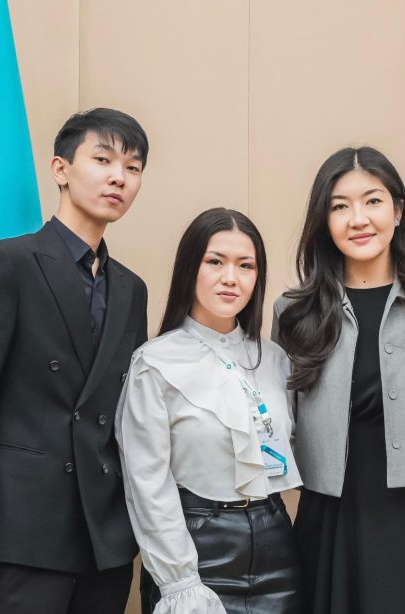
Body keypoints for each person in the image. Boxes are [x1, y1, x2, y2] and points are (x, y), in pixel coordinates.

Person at [0, 108, 150, 613]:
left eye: (133, 167)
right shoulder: (7, 263)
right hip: (15, 539)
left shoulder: (131, 289)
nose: (119, 177)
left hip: (103, 544)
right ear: (60, 169)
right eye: (103, 159)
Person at [273, 147, 405, 613]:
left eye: (373, 201)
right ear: (323, 220)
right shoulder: (294, 311)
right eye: (340, 206)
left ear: (398, 210)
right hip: (332, 514)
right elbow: (282, 422)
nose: (358, 219)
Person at [116, 208, 303, 614]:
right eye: (215, 261)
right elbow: (147, 484)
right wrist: (179, 581)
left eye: (246, 265)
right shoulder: (154, 363)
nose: (230, 278)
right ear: (190, 268)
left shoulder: (275, 359)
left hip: (278, 548)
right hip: (197, 553)